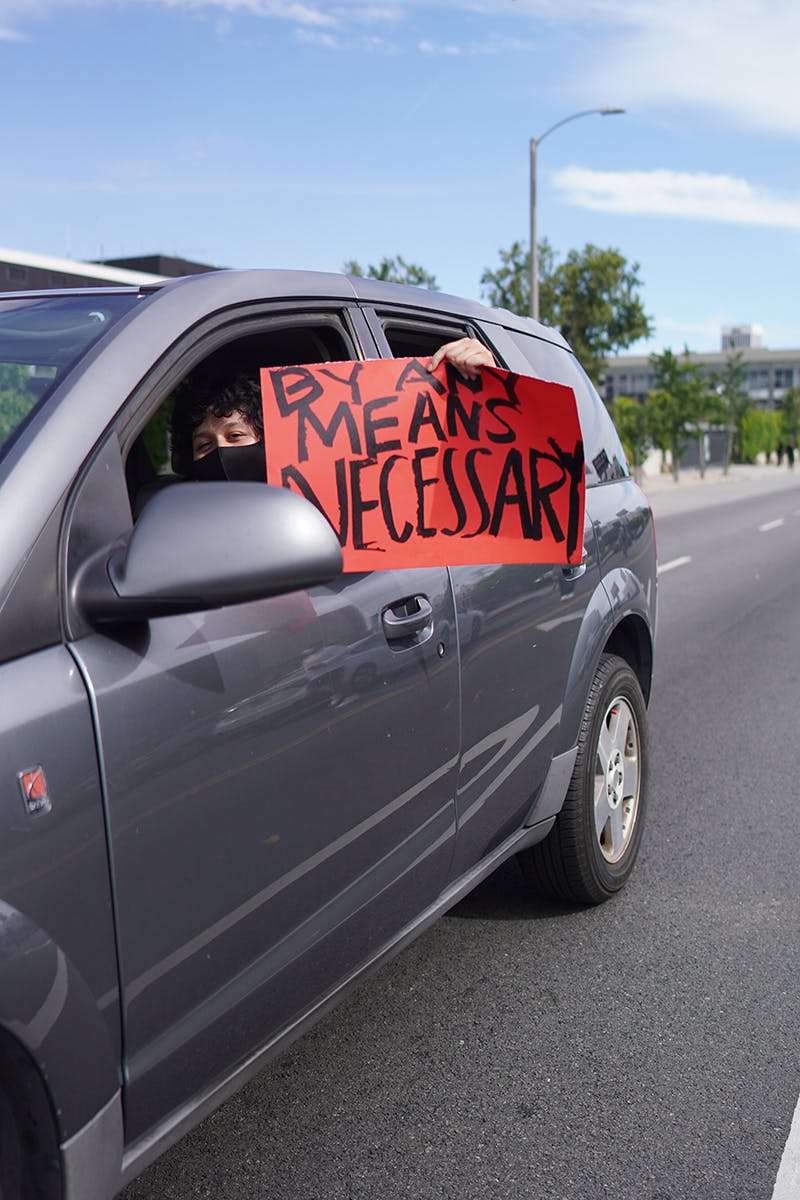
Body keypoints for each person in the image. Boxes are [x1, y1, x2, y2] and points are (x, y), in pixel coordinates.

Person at [170, 339, 497, 481]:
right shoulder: (179, 521)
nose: (222, 451)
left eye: (236, 435)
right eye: (205, 445)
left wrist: (487, 381)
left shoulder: (317, 496)